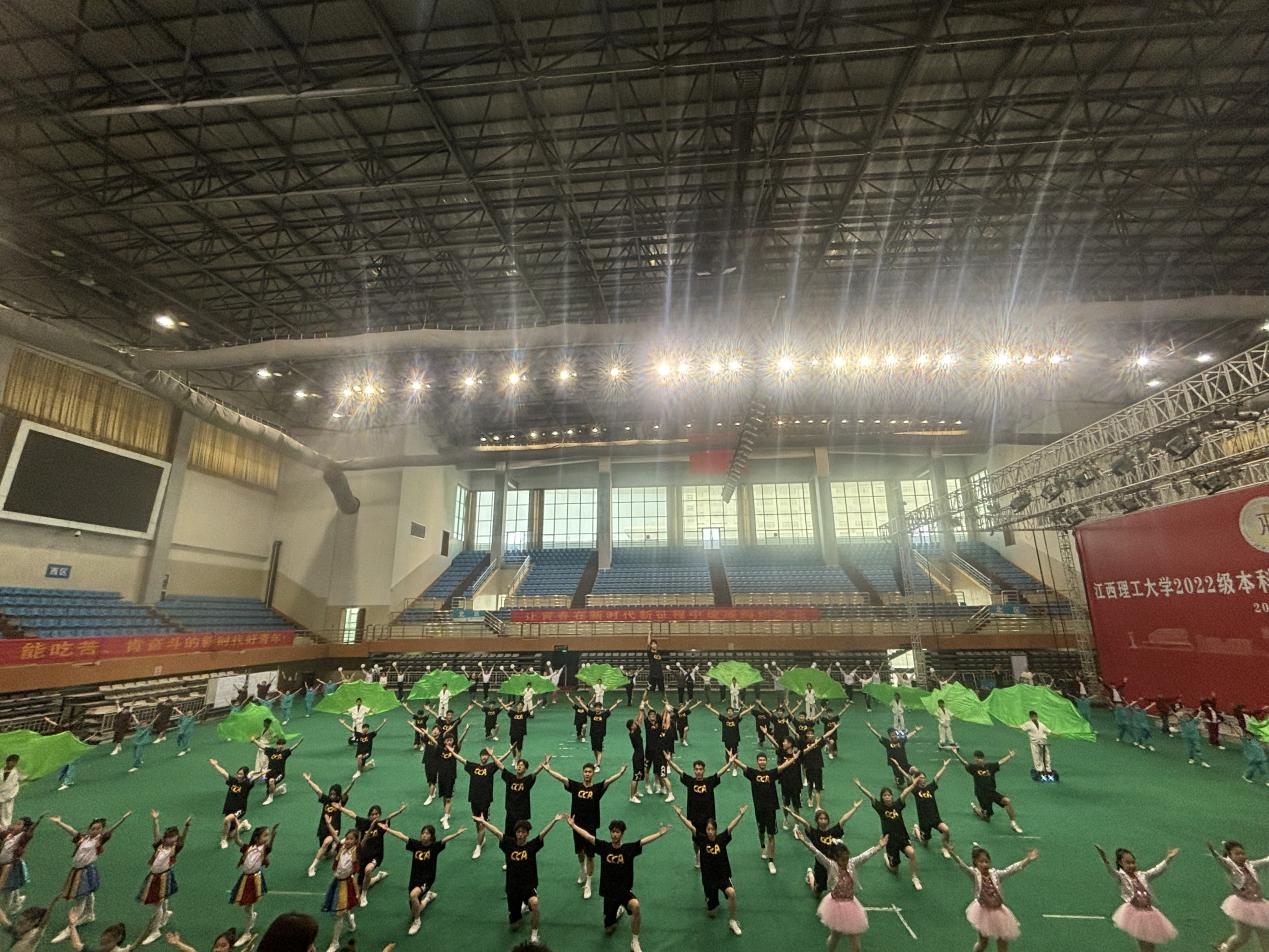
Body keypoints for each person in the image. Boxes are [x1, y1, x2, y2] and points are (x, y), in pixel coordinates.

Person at [564, 817, 670, 952]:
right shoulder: (604, 847)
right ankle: (618, 913)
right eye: (613, 831)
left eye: (617, 832)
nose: (614, 834)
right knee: (608, 930)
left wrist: (660, 833)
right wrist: (573, 826)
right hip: (609, 893)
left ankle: (635, 941)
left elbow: (643, 841)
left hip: (624, 891)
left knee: (636, 906)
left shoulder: (628, 849)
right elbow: (589, 837)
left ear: (622, 834)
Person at [475, 812, 566, 946]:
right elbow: (497, 832)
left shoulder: (531, 847)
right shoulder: (509, 844)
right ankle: (522, 907)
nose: (520, 834)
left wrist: (554, 820)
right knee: (514, 926)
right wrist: (483, 822)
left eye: (523, 832)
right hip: (512, 888)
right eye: (518, 832)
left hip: (528, 886)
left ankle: (534, 934)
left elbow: (542, 834)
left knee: (534, 903)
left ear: (527, 834)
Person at [792, 824, 886, 952]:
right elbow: (816, 852)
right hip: (835, 905)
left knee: (855, 938)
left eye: (847, 858)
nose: (846, 862)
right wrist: (803, 840)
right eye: (842, 860)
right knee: (835, 936)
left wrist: (879, 846)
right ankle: (810, 875)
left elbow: (865, 856)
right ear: (836, 858)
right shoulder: (831, 865)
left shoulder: (851, 863)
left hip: (851, 904)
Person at [542, 761, 626, 900]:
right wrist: (549, 770)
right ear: (583, 773)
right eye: (585, 771)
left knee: (590, 855)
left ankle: (588, 883)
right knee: (580, 852)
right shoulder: (576, 786)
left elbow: (609, 781)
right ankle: (582, 869)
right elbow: (561, 778)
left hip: (591, 826)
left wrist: (620, 773)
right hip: (576, 825)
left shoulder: (597, 789)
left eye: (589, 772)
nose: (587, 774)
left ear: (593, 774)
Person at [47, 811, 132, 943]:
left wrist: (122, 819)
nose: (95, 831)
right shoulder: (83, 838)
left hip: (86, 871)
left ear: (102, 830)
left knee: (81, 898)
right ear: (89, 829)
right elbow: (72, 831)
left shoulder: (99, 840)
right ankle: (90, 914)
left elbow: (111, 831)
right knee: (87, 893)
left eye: (99, 829)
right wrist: (59, 822)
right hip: (76, 870)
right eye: (93, 828)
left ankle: (71, 927)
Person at [377, 821, 466, 935]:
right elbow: (401, 836)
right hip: (414, 878)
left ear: (431, 836)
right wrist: (388, 829)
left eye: (427, 833)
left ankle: (417, 921)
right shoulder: (416, 845)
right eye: (423, 833)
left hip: (427, 878)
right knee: (415, 909)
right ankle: (427, 898)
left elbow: (445, 839)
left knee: (413, 895)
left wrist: (457, 833)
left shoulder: (434, 847)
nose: (424, 835)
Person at [671, 804, 747, 935]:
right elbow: (691, 827)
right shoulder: (702, 840)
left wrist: (740, 815)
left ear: (716, 830)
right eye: (708, 829)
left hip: (722, 876)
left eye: (712, 829)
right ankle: (711, 901)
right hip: (709, 880)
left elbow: (731, 827)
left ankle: (733, 921)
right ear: (706, 830)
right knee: (712, 913)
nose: (710, 832)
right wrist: (680, 815)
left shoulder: (721, 839)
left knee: (732, 893)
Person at [950, 844, 1039, 952]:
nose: (984, 864)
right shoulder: (975, 875)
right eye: (981, 862)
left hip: (1000, 913)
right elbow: (963, 866)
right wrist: (952, 853)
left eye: (986, 861)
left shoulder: (995, 874)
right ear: (975, 863)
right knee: (983, 943)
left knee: (1003, 944)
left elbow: (1011, 869)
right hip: (983, 912)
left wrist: (1027, 860)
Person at [1095, 844, 1180, 950]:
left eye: (1133, 862)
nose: (1131, 865)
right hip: (1136, 913)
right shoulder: (1122, 877)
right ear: (1120, 863)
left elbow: (1156, 870)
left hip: (1150, 912)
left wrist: (1168, 858)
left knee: (1151, 945)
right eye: (1128, 863)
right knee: (1144, 943)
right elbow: (1111, 871)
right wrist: (1105, 859)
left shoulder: (1142, 875)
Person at [732, 747, 800, 875]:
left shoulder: (771, 774)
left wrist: (793, 758)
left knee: (771, 835)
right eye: (760, 760)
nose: (762, 762)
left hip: (770, 809)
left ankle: (771, 860)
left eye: (764, 760)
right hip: (759, 809)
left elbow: (783, 767)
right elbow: (744, 767)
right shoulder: (753, 774)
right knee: (761, 832)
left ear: (766, 761)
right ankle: (763, 846)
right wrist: (734, 759)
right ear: (757, 762)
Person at [853, 776, 922, 891]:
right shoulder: (880, 808)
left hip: (902, 837)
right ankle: (886, 858)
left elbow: (904, 793)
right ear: (882, 798)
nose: (887, 797)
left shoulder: (897, 805)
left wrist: (914, 785)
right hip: (890, 841)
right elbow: (870, 796)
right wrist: (860, 786)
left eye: (889, 795)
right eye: (884, 795)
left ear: (892, 796)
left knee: (912, 853)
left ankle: (915, 877)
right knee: (894, 870)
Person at [786, 802, 865, 898]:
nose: (823, 821)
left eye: (825, 818)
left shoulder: (834, 832)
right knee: (818, 893)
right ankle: (810, 875)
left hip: (834, 864)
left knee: (840, 884)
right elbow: (804, 822)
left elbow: (844, 819)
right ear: (817, 821)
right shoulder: (814, 833)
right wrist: (792, 813)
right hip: (821, 864)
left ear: (828, 820)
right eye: (821, 819)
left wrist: (854, 808)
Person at [136, 810, 191, 944]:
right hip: (154, 876)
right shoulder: (160, 846)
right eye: (169, 837)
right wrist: (155, 820)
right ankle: (166, 913)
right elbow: (156, 834)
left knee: (157, 904)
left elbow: (183, 840)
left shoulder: (175, 848)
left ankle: (155, 931)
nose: (172, 839)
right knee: (162, 898)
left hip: (163, 877)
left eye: (174, 837)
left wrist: (186, 827)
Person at [334, 802, 406, 905]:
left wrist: (399, 811)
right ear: (369, 815)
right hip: (362, 856)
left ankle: (364, 895)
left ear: (379, 815)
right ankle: (378, 877)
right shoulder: (364, 823)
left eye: (377, 814)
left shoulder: (381, 825)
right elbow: (353, 815)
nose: (375, 816)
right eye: (372, 814)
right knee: (361, 881)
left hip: (376, 855)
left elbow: (389, 817)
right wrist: (341, 808)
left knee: (368, 870)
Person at [665, 754, 728, 869]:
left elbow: (720, 773)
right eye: (696, 769)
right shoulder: (690, 782)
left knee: (710, 838)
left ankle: (710, 857)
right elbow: (680, 771)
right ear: (694, 770)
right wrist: (669, 761)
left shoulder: (709, 782)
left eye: (700, 769)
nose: (698, 771)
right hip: (694, 818)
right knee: (696, 840)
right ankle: (698, 856)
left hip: (708, 818)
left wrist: (730, 762)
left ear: (704, 770)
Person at [1207, 839, 1269, 952]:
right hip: (1243, 907)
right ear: (1229, 856)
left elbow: (1265, 861)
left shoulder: (1250, 865)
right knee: (1242, 938)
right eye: (1237, 854)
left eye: (1242, 853)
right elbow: (1221, 861)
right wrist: (1213, 851)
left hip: (1260, 905)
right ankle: (1226, 949)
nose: (1241, 856)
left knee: (1265, 934)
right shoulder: (1231, 869)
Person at [449, 745, 503, 859]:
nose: (485, 757)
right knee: (477, 822)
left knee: (482, 823)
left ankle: (478, 846)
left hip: (485, 800)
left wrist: (509, 751)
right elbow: (461, 759)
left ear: (488, 757)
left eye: (486, 756)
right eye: (483, 755)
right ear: (480, 756)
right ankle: (481, 839)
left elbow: (500, 761)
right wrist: (452, 752)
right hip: (474, 799)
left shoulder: (491, 767)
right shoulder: (473, 767)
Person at [228, 823, 278, 945]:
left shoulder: (264, 849)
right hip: (245, 878)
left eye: (267, 836)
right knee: (247, 907)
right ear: (256, 838)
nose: (267, 838)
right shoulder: (248, 848)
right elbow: (237, 840)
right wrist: (237, 830)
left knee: (249, 906)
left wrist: (273, 836)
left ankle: (247, 933)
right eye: (265, 835)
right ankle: (252, 917)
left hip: (254, 880)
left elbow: (270, 845)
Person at [894, 760, 954, 858]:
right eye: (920, 778)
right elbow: (908, 778)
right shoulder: (915, 790)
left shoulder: (930, 788)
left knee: (946, 830)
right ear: (916, 779)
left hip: (935, 818)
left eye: (924, 777)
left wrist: (944, 766)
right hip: (924, 821)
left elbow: (937, 777)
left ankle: (945, 847)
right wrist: (899, 768)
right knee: (924, 844)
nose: (922, 779)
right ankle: (916, 830)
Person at [302, 774, 357, 878]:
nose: (331, 795)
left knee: (326, 843)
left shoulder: (340, 802)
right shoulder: (326, 800)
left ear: (338, 795)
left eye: (334, 794)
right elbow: (317, 790)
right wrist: (309, 781)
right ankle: (336, 846)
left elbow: (345, 793)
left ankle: (312, 866)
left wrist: (351, 784)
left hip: (334, 829)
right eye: (331, 793)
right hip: (323, 827)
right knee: (326, 853)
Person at [955, 749, 1024, 833]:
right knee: (987, 818)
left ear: (983, 759)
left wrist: (1009, 756)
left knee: (1007, 801)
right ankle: (976, 809)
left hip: (992, 793)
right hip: (982, 795)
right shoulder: (974, 768)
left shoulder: (990, 766)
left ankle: (1013, 823)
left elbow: (1000, 762)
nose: (977, 761)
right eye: (976, 760)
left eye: (978, 759)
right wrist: (956, 753)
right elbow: (964, 763)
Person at [319, 825, 360, 952]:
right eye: (347, 838)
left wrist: (357, 891)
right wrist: (329, 825)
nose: (348, 841)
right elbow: (336, 839)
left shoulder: (356, 853)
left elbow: (355, 873)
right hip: (337, 882)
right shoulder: (342, 848)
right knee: (343, 909)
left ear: (356, 841)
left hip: (346, 884)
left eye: (351, 839)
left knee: (339, 914)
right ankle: (351, 923)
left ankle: (335, 942)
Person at [208, 761, 263, 849]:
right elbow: (223, 772)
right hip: (229, 808)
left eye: (241, 774)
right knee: (231, 834)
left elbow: (253, 778)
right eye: (238, 773)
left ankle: (223, 840)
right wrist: (215, 765)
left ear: (245, 775)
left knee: (226, 820)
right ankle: (243, 824)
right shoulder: (233, 781)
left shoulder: (247, 784)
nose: (238, 775)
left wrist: (261, 773)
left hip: (240, 809)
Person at [492, 753, 549, 831]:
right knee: (508, 835)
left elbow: (535, 772)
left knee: (521, 834)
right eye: (518, 765)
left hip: (522, 814)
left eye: (522, 765)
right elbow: (500, 766)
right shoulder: (510, 778)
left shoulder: (527, 780)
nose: (519, 766)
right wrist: (492, 755)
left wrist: (544, 763)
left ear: (525, 769)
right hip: (510, 813)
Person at [0, 815, 41, 916]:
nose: (15, 825)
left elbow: (29, 833)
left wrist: (37, 822)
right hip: (2, 866)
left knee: (8, 890)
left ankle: (5, 912)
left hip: (10, 867)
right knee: (10, 887)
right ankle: (17, 901)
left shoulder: (23, 837)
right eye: (16, 823)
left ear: (25, 828)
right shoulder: (10, 835)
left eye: (18, 824)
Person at [704, 703, 752, 776]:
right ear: (727, 713)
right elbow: (717, 713)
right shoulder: (724, 719)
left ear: (733, 712)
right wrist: (710, 708)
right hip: (726, 739)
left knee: (735, 754)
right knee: (727, 753)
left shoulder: (736, 719)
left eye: (731, 711)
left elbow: (742, 714)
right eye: (728, 711)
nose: (730, 712)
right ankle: (728, 766)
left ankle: (735, 769)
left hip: (735, 739)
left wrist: (749, 709)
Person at [254, 737, 302, 807]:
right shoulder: (271, 751)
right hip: (269, 773)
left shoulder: (284, 753)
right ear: (277, 745)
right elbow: (261, 746)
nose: (281, 746)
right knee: (269, 790)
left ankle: (270, 798)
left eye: (283, 744)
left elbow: (292, 748)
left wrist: (298, 743)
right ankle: (282, 788)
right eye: (280, 744)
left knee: (271, 781)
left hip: (280, 774)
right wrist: (254, 740)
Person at [1017, 711, 1055, 776]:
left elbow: (1048, 731)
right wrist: (1011, 725)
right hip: (1034, 742)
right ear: (1030, 717)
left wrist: (1055, 733)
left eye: (1035, 716)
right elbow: (1021, 727)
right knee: (1036, 756)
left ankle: (1048, 769)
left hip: (1043, 742)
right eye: (1033, 716)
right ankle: (1039, 770)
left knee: (1046, 755)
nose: (1034, 717)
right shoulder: (1028, 724)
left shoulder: (1041, 724)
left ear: (1037, 716)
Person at [588, 700, 622, 767]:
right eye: (596, 707)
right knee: (594, 750)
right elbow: (586, 709)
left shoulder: (604, 715)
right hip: (593, 734)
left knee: (599, 750)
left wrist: (616, 703)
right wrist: (580, 702)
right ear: (595, 708)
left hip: (600, 735)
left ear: (600, 708)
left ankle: (598, 765)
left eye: (599, 707)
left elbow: (610, 709)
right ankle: (597, 761)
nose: (597, 708)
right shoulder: (592, 714)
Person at [0, 758, 21, 828]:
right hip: (1, 793)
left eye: (15, 762)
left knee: (7, 812)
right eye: (12, 761)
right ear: (7, 761)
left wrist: (12, 794)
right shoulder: (1, 771)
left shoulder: (16, 772)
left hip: (9, 795)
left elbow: (16, 783)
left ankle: (5, 828)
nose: (13, 764)